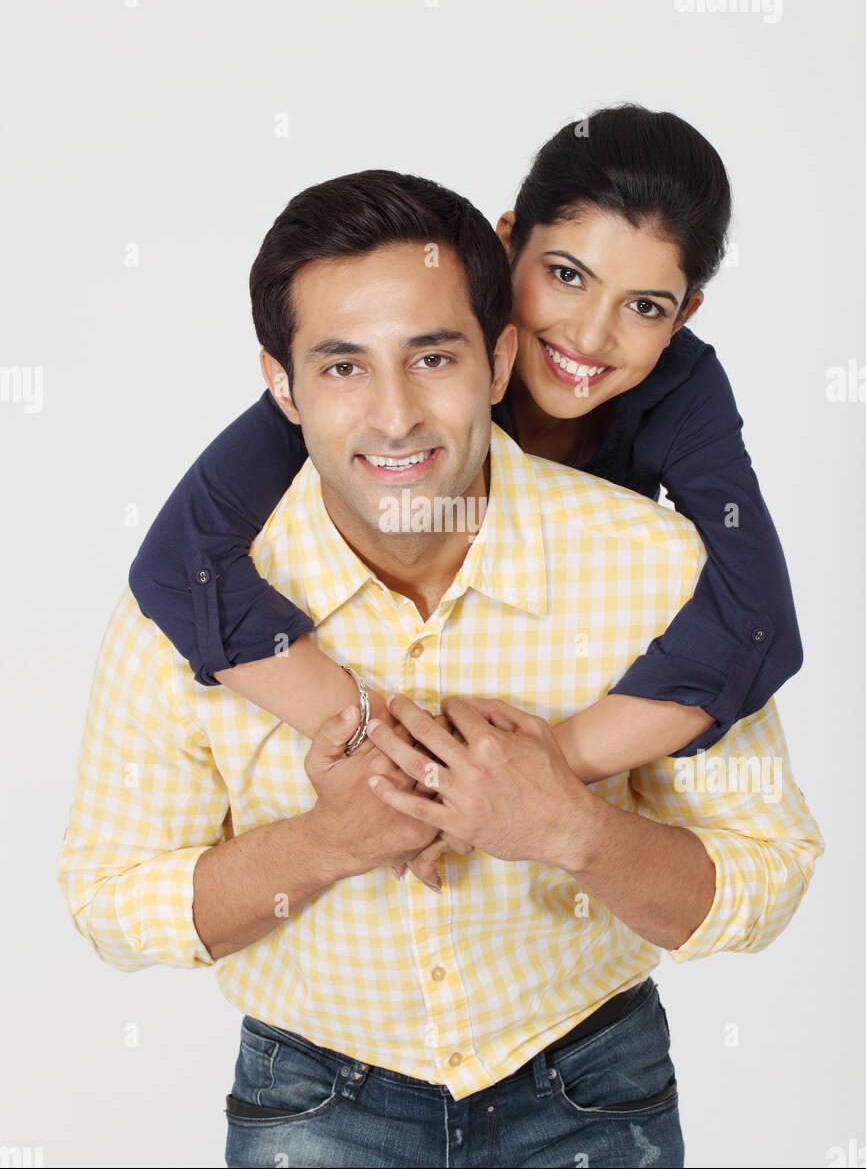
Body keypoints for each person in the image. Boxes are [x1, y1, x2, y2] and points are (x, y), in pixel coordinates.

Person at [58, 168, 823, 1169]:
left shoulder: (658, 565)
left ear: (501, 358)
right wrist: (330, 841)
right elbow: (110, 898)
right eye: (340, 368)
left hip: (590, 1092)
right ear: (280, 385)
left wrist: (568, 824)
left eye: (432, 358)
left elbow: (767, 873)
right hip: (311, 1102)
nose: (393, 417)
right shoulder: (189, 603)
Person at [127, 105, 803, 892]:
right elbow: (180, 563)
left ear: (684, 316)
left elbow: (756, 614)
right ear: (507, 238)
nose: (589, 336)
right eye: (566, 275)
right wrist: (394, 753)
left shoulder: (683, 391)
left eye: (645, 306)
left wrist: (539, 772)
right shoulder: (402, 367)